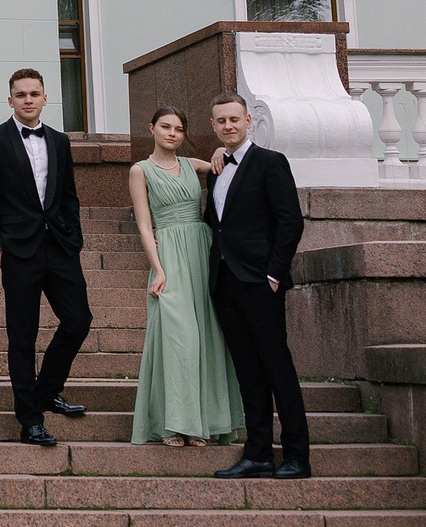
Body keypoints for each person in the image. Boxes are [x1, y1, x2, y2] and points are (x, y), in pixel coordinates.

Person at [0, 67, 93, 447]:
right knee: (22, 337)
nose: (28, 100)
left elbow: (68, 194)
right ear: (11, 100)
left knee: (79, 320)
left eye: (34, 94)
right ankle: (30, 421)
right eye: (21, 94)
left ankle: (46, 390)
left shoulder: (59, 141)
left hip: (60, 247)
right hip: (18, 251)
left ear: (44, 98)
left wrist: (73, 236)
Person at [201, 92, 311, 479]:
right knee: (248, 373)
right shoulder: (216, 169)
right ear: (213, 125)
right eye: (221, 121)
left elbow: (290, 222)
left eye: (234, 119)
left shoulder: (270, 162)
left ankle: (297, 456)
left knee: (278, 369)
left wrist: (274, 275)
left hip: (261, 284)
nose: (228, 126)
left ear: (248, 121)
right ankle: (259, 454)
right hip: (225, 284)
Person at [127, 105, 242, 447]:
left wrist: (219, 150)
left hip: (201, 252)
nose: (172, 134)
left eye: (178, 129)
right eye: (166, 127)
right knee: (180, 340)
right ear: (152, 128)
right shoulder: (140, 170)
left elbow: (228, 162)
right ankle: (173, 424)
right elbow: (144, 226)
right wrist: (158, 269)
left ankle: (201, 424)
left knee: (207, 337)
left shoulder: (192, 165)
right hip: (169, 256)